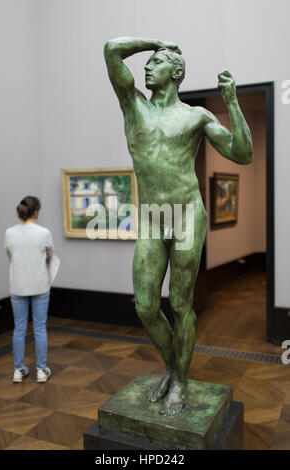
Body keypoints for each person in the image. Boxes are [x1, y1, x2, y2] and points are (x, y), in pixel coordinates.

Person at [104, 37, 252, 416]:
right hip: (153, 217)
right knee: (146, 305)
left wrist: (232, 102)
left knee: (181, 302)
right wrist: (156, 41)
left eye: (156, 62)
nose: (147, 67)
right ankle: (172, 368)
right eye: (148, 62)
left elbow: (243, 153)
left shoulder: (197, 116)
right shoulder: (133, 106)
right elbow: (111, 49)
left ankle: (180, 380)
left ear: (176, 72)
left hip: (187, 215)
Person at [5, 196, 54, 383]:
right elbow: (50, 255)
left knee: (19, 329)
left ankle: (18, 370)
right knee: (40, 328)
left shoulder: (9, 233)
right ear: (36, 212)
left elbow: (10, 255)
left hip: (18, 285)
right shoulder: (44, 233)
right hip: (40, 285)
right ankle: (41, 370)